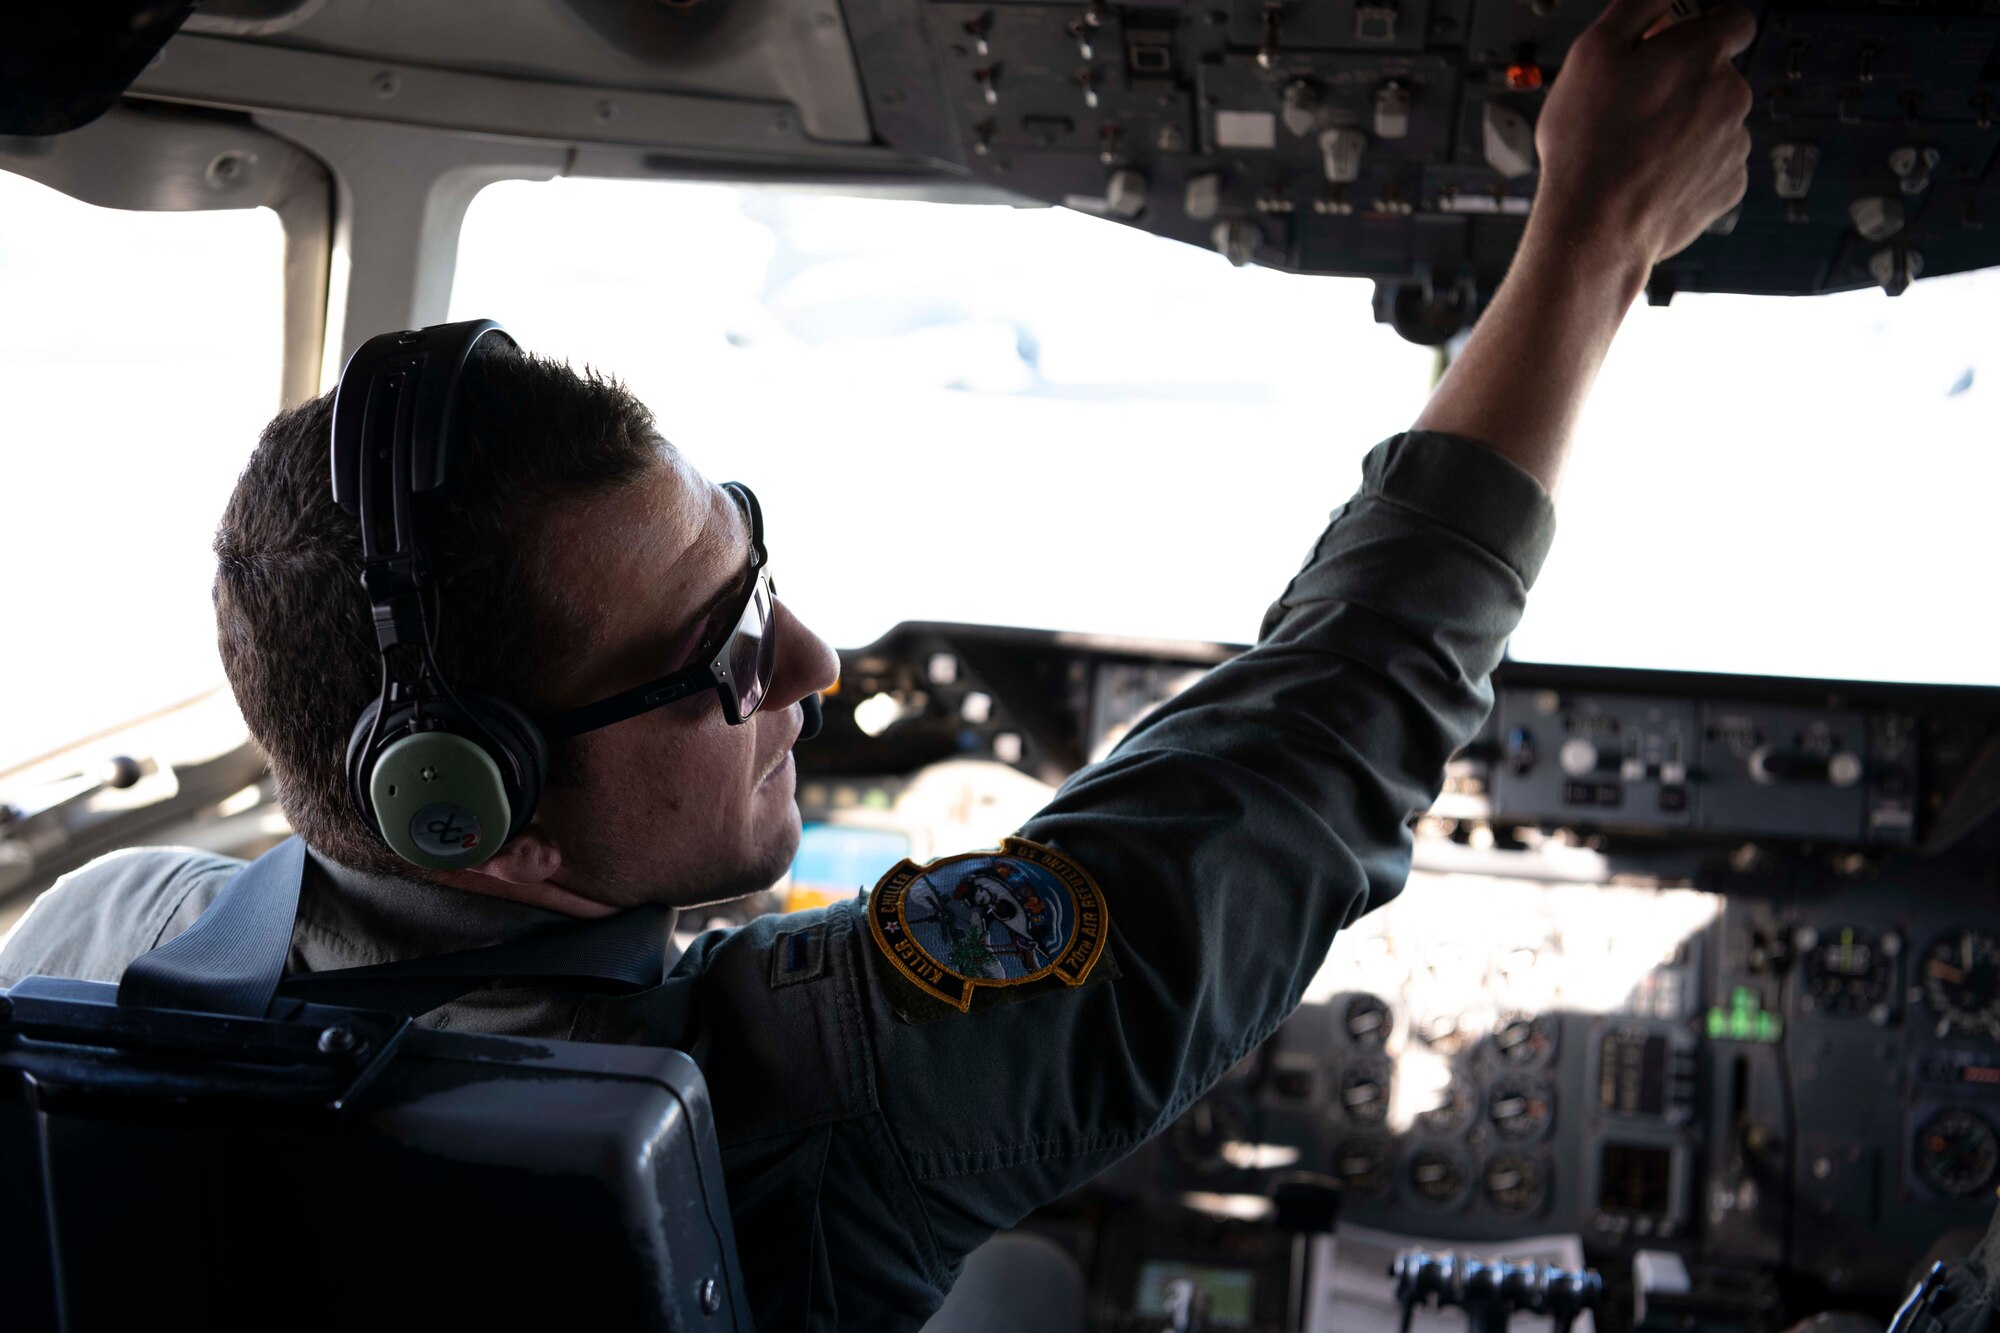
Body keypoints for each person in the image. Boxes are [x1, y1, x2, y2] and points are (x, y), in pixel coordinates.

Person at [0, 1, 1754, 1327]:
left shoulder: (95, 944)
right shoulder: (801, 1102)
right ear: (490, 821)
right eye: (718, 657)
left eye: (753, 560)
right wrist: (1593, 233)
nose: (814, 661)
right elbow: (1327, 732)